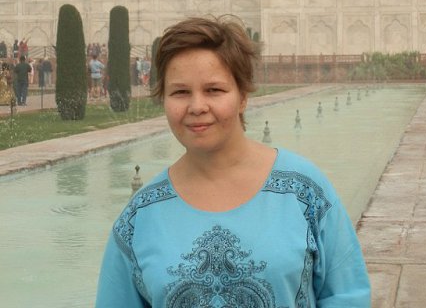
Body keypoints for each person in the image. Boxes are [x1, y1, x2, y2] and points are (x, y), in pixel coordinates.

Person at [96, 16, 371, 307]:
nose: (197, 106)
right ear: (163, 99)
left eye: (214, 90)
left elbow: (347, 295)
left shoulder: (303, 193)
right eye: (180, 92)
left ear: (242, 96)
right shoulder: (140, 217)